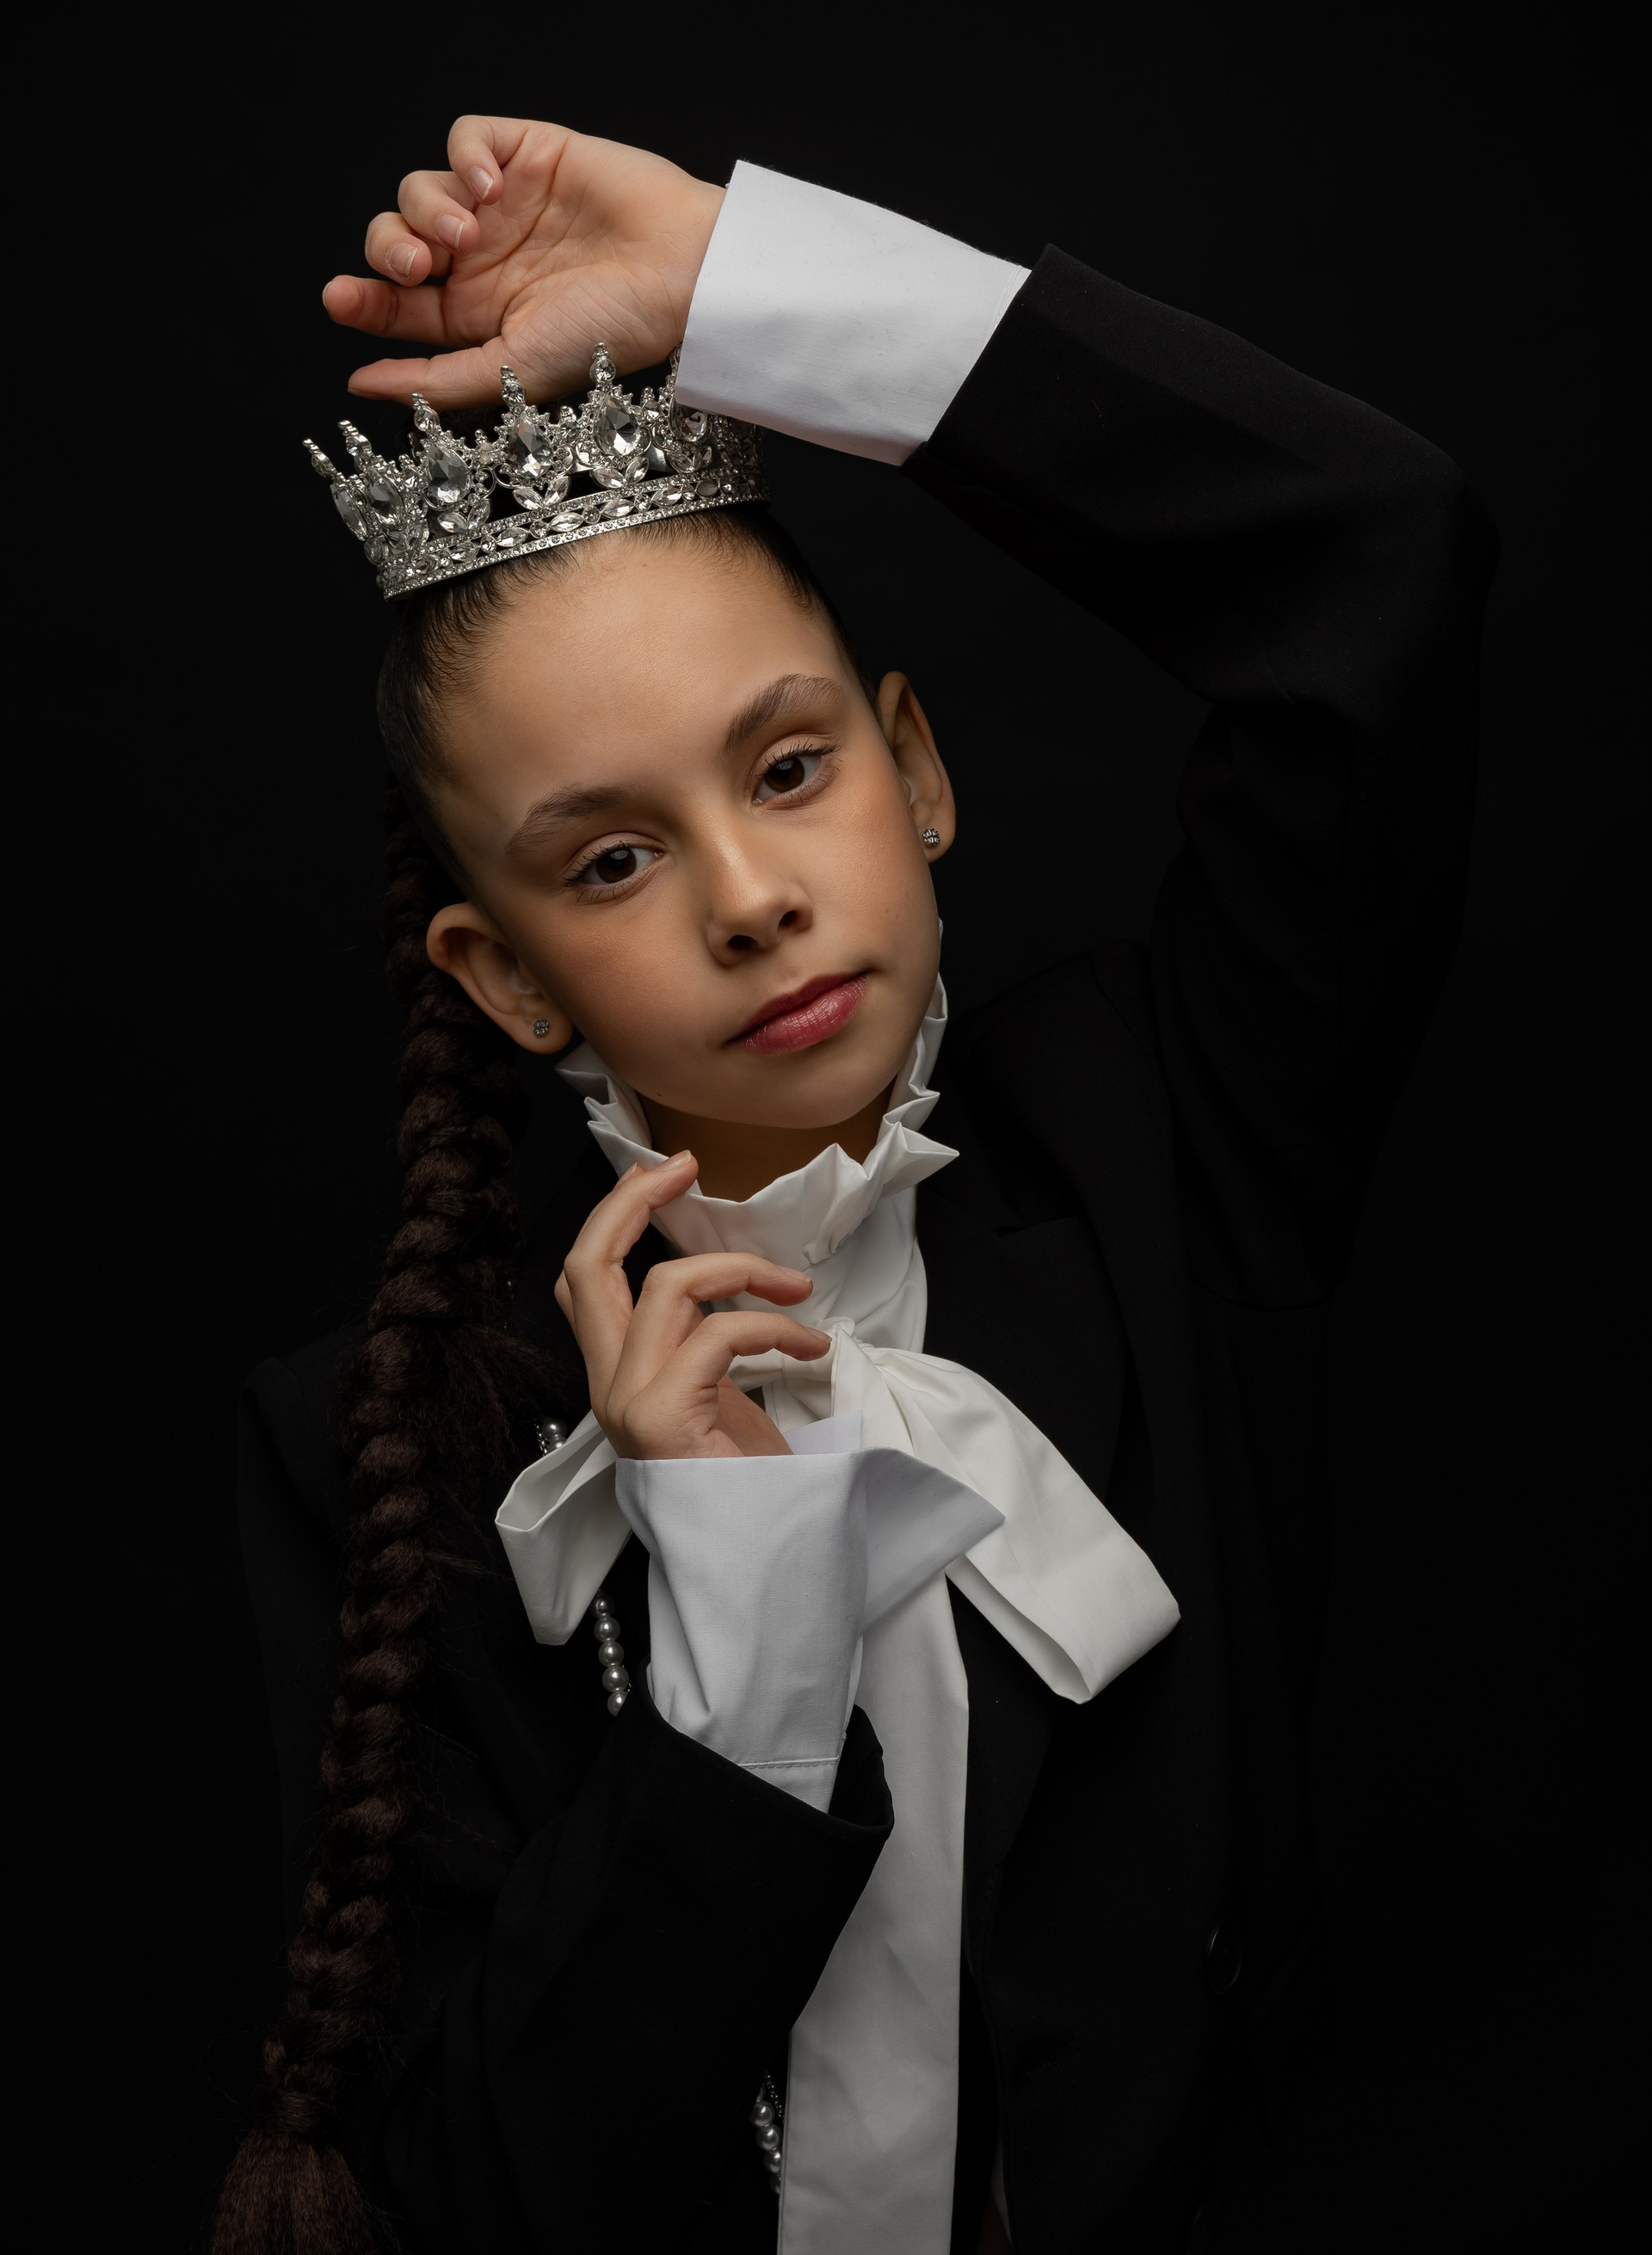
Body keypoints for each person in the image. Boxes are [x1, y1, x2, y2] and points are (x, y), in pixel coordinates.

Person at [216, 120, 1494, 2255]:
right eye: (612, 859)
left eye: (791, 767)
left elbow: (1381, 557)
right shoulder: (391, 1438)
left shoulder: (1167, 1140)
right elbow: (473, 2196)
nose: (748, 897)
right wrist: (737, 1633)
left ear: (917, 765)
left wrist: (747, 283)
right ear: (503, 976)